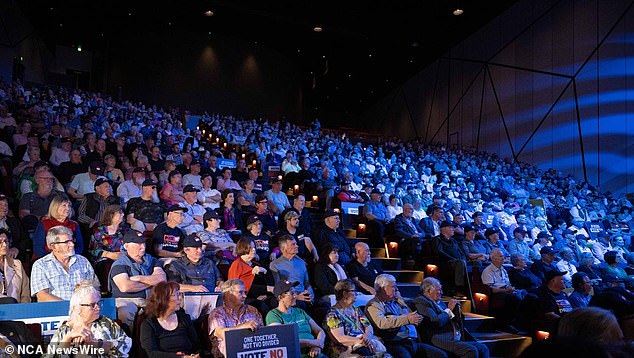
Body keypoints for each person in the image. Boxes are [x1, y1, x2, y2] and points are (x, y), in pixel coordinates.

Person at [365, 274, 447, 358]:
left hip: (412, 342)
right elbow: (382, 322)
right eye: (393, 286)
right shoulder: (374, 305)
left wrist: (401, 301)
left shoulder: (397, 302)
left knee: (441, 355)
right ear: (383, 289)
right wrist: (407, 319)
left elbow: (412, 314)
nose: (396, 289)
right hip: (395, 343)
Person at [46, 282, 131, 357]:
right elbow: (49, 356)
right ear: (78, 308)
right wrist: (68, 338)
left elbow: (127, 344)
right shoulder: (64, 331)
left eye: (98, 303)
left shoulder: (106, 323)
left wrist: (98, 344)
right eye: (92, 305)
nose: (98, 308)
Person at [414, 277, 489, 358]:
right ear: (429, 291)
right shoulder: (421, 302)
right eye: (439, 290)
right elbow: (436, 321)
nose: (441, 292)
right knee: (471, 350)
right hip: (440, 339)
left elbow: (454, 319)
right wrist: (449, 309)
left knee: (483, 348)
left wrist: (457, 311)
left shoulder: (439, 302)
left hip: (454, 335)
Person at [108, 230, 166, 330]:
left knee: (165, 307)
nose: (142, 247)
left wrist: (140, 278)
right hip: (125, 300)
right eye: (138, 244)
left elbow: (162, 279)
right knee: (126, 311)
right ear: (126, 246)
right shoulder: (119, 264)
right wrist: (151, 282)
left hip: (149, 299)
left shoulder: (152, 260)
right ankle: (128, 342)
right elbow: (125, 287)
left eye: (143, 243)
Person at [31, 226, 99, 301]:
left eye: (72, 241)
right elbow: (42, 296)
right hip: (56, 310)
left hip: (82, 309)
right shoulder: (41, 265)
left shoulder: (83, 261)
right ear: (53, 246)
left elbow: (95, 287)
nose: (72, 245)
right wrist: (68, 307)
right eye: (66, 242)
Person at [323, 279, 387, 357]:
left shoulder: (356, 309)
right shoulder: (333, 315)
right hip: (348, 349)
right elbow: (340, 338)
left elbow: (368, 326)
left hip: (364, 343)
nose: (356, 293)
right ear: (345, 293)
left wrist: (367, 337)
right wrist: (360, 341)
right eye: (353, 291)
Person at [266, 279, 327, 358]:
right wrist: (311, 343)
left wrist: (317, 346)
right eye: (291, 293)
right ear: (280, 297)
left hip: (314, 353)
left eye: (295, 292)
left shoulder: (299, 311)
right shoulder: (273, 315)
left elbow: (320, 331)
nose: (295, 295)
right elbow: (282, 341)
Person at [140, 281, 201, 357]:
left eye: (180, 294)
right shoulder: (148, 324)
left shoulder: (184, 318)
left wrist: (196, 355)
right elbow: (152, 354)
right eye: (177, 294)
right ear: (164, 299)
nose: (180, 298)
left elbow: (197, 346)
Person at [208, 279, 264, 358]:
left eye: (245, 292)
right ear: (228, 294)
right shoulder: (217, 313)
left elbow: (263, 334)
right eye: (240, 292)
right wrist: (243, 327)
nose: (245, 296)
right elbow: (221, 333)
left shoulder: (252, 310)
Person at [481, 249, 522, 331]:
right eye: (500, 256)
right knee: (513, 299)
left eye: (503, 256)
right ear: (493, 258)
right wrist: (506, 290)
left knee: (524, 294)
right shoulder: (488, 271)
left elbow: (507, 283)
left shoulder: (503, 269)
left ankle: (519, 323)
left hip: (506, 291)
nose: (503, 258)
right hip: (496, 295)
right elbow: (490, 290)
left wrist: (511, 289)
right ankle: (505, 324)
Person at [269, 234, 314, 308]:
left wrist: (311, 295)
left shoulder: (301, 262)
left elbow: (307, 283)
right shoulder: (275, 265)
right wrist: (296, 297)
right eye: (293, 244)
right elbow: (277, 289)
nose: (297, 246)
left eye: (296, 244)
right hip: (289, 299)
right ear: (283, 249)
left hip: (304, 297)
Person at [89, 204, 126, 280]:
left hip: (122, 257)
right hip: (104, 258)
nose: (123, 214)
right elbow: (92, 249)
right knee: (106, 265)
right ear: (111, 215)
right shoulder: (99, 230)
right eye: (120, 212)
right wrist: (108, 254)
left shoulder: (126, 230)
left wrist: (122, 254)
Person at [433, 221, 468, 297]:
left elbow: (461, 252)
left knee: (475, 263)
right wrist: (453, 259)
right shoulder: (438, 239)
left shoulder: (453, 240)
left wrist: (463, 259)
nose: (453, 229)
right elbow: (439, 252)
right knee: (460, 263)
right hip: (446, 262)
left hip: (458, 261)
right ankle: (459, 289)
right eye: (451, 228)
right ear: (444, 229)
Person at [0, 228, 30, 303]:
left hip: (17, 310)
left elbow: (25, 293)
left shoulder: (17, 264)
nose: (4, 245)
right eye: (0, 242)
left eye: (6, 241)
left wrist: (23, 309)